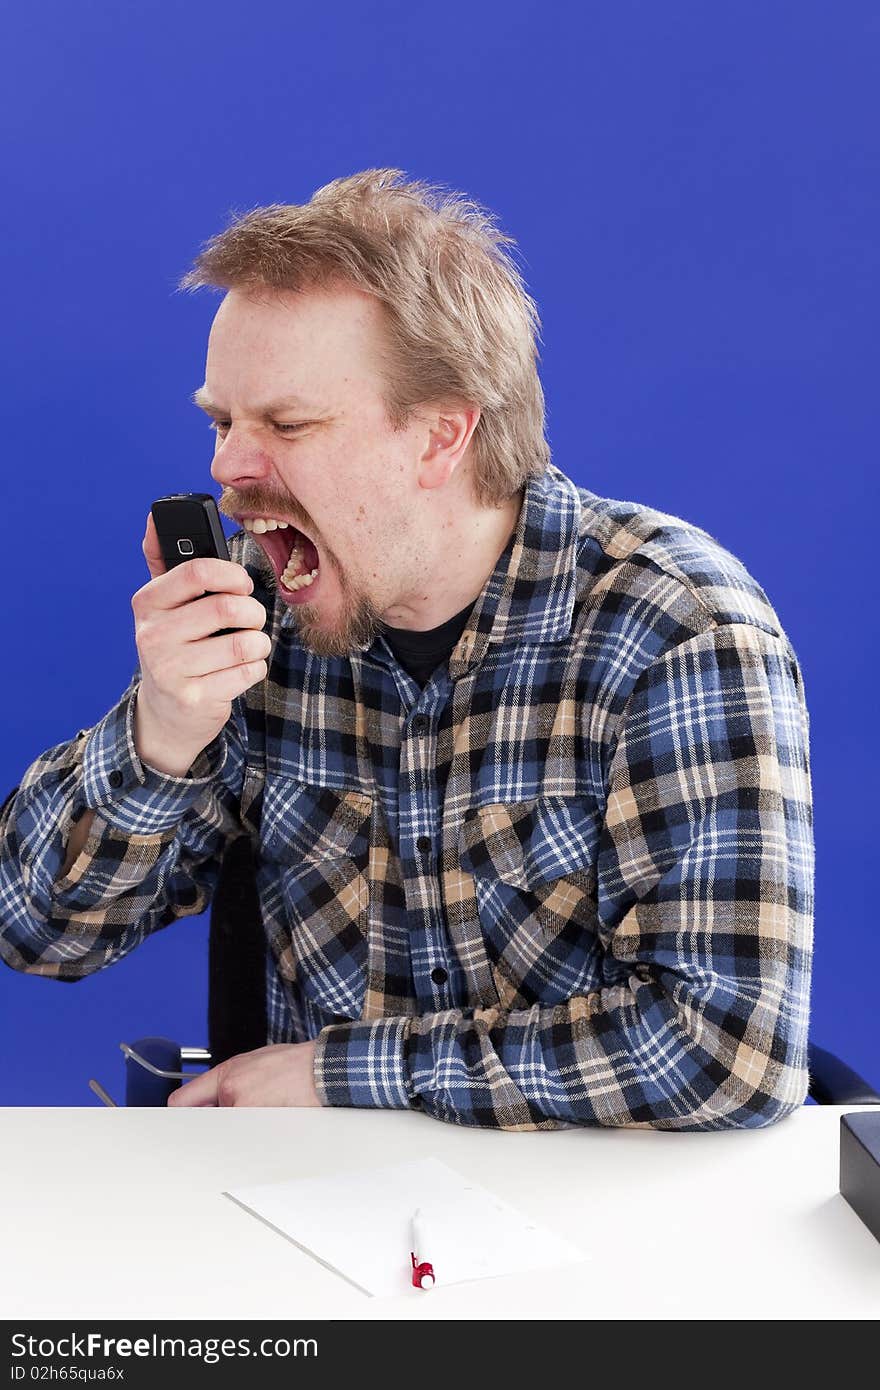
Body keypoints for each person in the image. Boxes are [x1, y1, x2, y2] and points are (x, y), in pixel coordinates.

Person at [0, 169, 814, 1128]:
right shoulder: (255, 606)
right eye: (222, 421)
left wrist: (337, 1073)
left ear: (442, 436)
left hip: (597, 1222)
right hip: (309, 1216)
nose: (226, 469)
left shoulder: (672, 629)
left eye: (287, 424)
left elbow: (726, 1052)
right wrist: (163, 732)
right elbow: (38, 931)